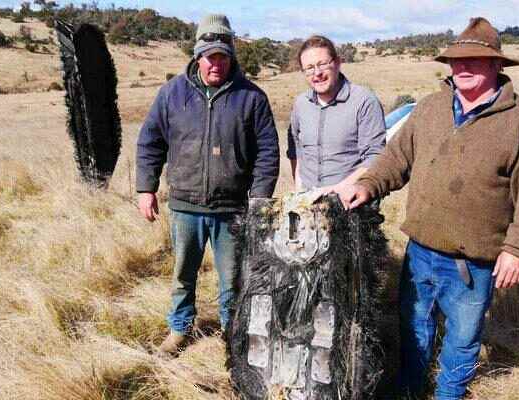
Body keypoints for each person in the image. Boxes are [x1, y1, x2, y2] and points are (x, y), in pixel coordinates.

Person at [338, 17, 519, 400]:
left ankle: (448, 395)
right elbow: (395, 160)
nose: (463, 67)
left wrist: (518, 249)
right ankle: (409, 390)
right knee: (414, 326)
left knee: (463, 337)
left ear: (496, 65)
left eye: (474, 59)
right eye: (457, 60)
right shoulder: (430, 108)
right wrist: (368, 186)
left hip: (474, 261)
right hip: (420, 250)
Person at [135, 14, 279, 356]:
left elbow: (268, 152)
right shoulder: (171, 93)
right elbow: (150, 142)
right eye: (210, 56)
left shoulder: (252, 98)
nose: (216, 63)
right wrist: (146, 188)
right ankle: (180, 329)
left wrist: (259, 199)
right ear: (197, 55)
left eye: (223, 56)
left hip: (232, 210)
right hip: (184, 206)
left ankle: (233, 333)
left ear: (231, 56)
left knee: (233, 279)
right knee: (183, 276)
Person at [287, 35, 386, 194]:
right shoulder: (300, 104)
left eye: (322, 64)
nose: (317, 73)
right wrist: (299, 189)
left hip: (351, 206)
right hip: (307, 204)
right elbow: (297, 151)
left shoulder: (364, 101)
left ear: (338, 63)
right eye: (309, 68)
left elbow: (375, 157)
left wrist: (336, 190)